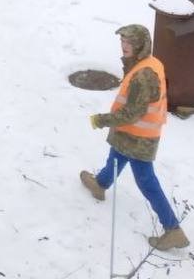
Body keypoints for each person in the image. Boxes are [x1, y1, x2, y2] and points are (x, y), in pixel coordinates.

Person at [81, 24, 188, 251]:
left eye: (129, 43)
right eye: (122, 42)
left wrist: (101, 120)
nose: (124, 46)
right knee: (116, 157)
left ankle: (173, 229)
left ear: (140, 44)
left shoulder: (143, 74)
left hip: (140, 136)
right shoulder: (147, 62)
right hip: (131, 133)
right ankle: (100, 185)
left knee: (146, 181)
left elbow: (132, 113)